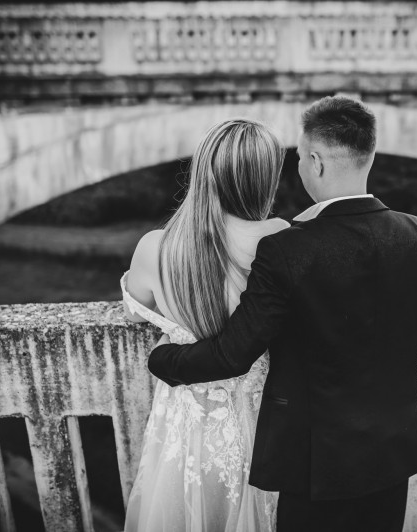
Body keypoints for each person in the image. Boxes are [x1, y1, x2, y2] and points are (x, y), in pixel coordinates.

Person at [148, 95, 417, 532]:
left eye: (299, 157)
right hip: (391, 453)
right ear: (369, 155)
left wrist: (163, 359)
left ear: (315, 162)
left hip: (314, 461)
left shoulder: (286, 250)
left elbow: (232, 354)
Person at [121, 118, 289, 532]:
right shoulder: (279, 238)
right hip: (262, 419)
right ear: (264, 179)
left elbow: (134, 311)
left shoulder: (154, 247)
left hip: (185, 427)